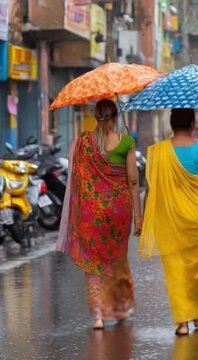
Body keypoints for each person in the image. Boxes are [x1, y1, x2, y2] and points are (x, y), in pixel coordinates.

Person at [56, 99, 142, 330]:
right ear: (115, 117)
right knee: (116, 260)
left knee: (93, 264)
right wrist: (138, 215)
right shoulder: (126, 142)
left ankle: (97, 316)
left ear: (96, 117)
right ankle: (120, 307)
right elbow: (133, 180)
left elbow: (76, 176)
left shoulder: (83, 142)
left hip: (90, 212)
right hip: (118, 212)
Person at [139, 108, 198, 336]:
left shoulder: (156, 152)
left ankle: (182, 323)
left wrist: (142, 220)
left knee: (175, 271)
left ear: (171, 124)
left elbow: (150, 189)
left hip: (169, 221)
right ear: (192, 124)